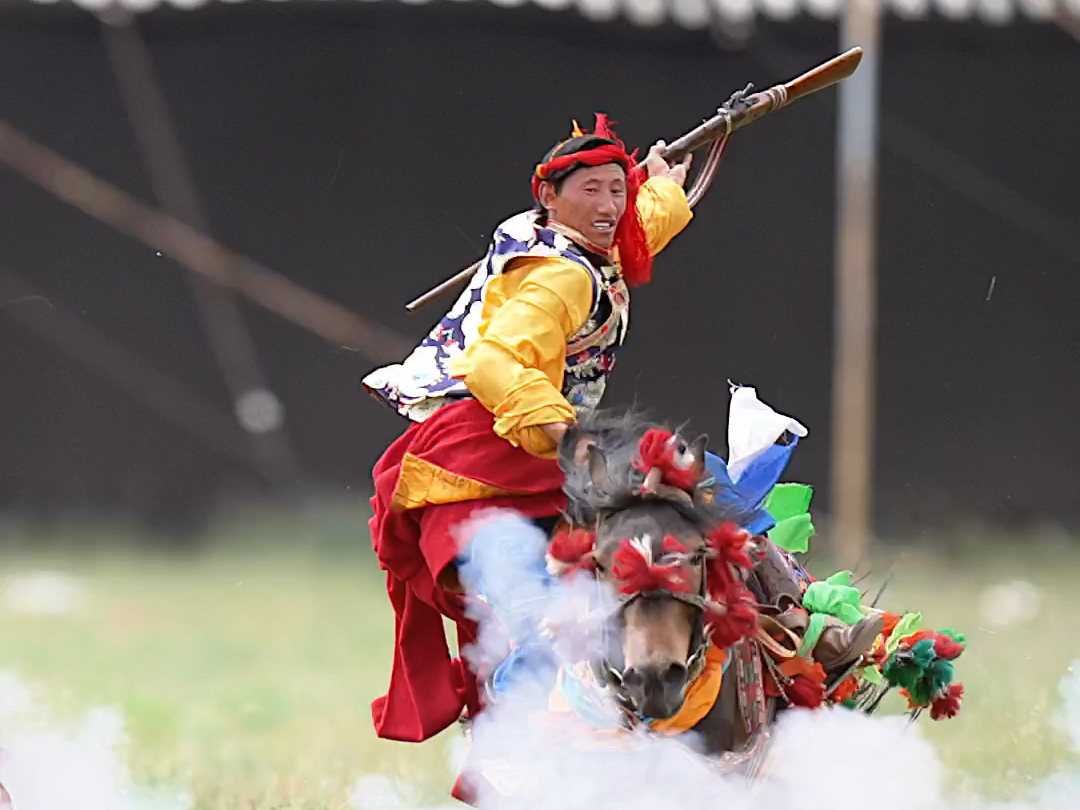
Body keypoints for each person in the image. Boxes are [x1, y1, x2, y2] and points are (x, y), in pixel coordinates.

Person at [360, 113, 695, 745]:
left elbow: (632, 231)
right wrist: (567, 436)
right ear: (549, 196)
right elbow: (490, 361)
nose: (607, 206)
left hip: (542, 468)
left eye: (615, 190)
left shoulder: (563, 237)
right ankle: (512, 770)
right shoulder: (564, 274)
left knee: (603, 623)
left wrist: (660, 187)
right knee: (549, 634)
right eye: (589, 190)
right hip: (480, 475)